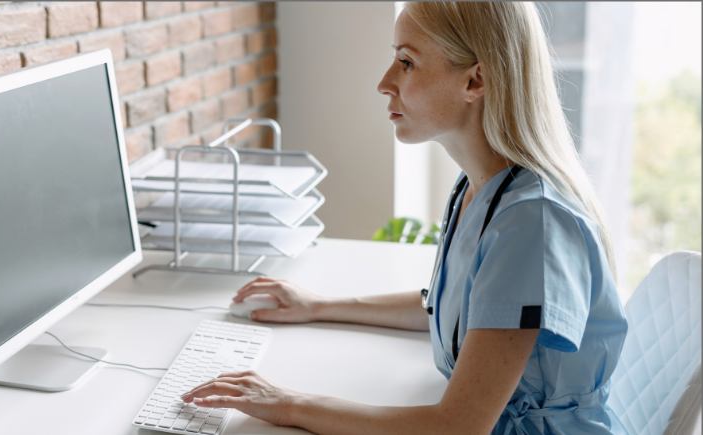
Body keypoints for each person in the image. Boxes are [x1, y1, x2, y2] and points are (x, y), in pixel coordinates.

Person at [181, 2, 629, 434]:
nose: (385, 82)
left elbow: (456, 427)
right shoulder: (481, 187)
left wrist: (288, 404)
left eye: (407, 62)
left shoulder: (532, 222)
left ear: (476, 81)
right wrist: (319, 306)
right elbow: (465, 310)